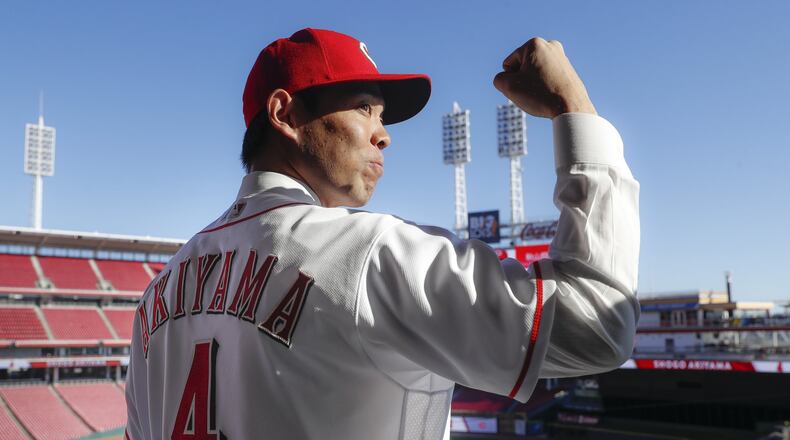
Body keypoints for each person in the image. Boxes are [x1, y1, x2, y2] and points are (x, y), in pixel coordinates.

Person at [125, 28, 640, 440]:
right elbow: (596, 323)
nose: (383, 133)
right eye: (364, 107)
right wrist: (573, 105)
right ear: (286, 114)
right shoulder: (367, 253)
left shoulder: (157, 295)